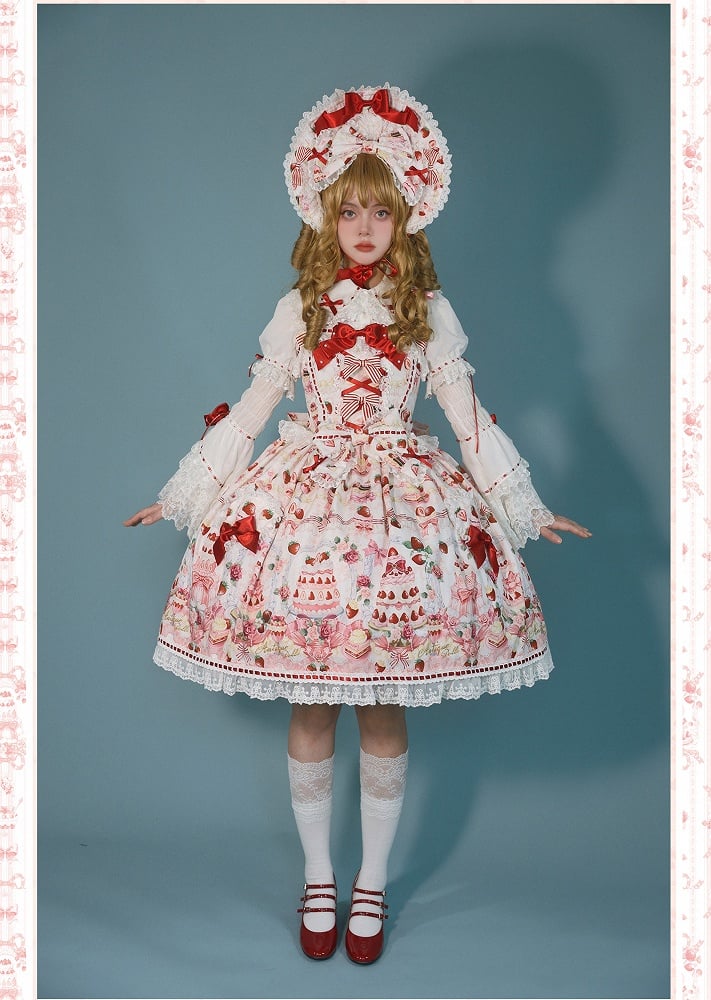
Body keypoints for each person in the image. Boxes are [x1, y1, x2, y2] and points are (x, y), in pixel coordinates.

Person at [125, 84, 591, 965]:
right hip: (309, 501)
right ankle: (318, 875)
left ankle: (370, 881)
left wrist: (522, 506)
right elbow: (252, 409)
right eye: (349, 212)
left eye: (380, 211)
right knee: (311, 700)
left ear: (405, 216)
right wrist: (185, 493)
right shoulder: (300, 307)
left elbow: (469, 420)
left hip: (398, 507)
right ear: (324, 218)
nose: (365, 227)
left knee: (380, 703)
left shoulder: (428, 311)